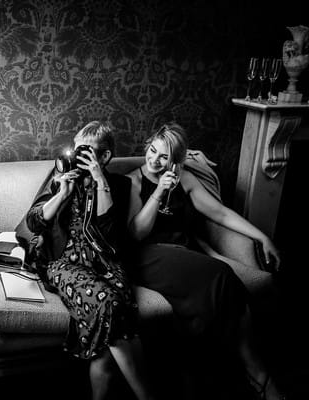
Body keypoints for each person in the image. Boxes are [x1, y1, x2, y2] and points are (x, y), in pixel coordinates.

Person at [126, 122, 285, 400]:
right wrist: (158, 192)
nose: (154, 160)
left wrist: (262, 238)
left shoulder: (184, 179)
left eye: (164, 157)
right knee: (222, 274)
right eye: (152, 151)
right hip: (148, 256)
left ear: (175, 161)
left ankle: (203, 378)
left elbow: (220, 214)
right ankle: (258, 375)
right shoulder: (133, 181)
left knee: (220, 291)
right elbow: (137, 232)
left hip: (182, 254)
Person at [25, 121, 156, 400]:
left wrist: (99, 181)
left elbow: (112, 235)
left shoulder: (121, 186)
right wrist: (61, 194)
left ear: (104, 156)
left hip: (107, 264)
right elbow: (33, 222)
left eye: (87, 151)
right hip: (64, 264)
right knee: (110, 304)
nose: (78, 156)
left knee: (109, 340)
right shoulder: (60, 177)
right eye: (77, 149)